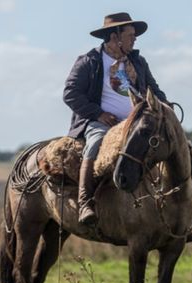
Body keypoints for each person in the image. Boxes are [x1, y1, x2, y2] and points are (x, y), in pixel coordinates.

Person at [63, 12, 169, 226]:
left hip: (137, 123)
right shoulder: (89, 62)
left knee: (174, 145)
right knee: (94, 144)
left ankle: (176, 213)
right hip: (100, 123)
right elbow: (70, 94)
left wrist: (166, 110)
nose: (135, 39)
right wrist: (98, 114)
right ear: (115, 37)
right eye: (130, 35)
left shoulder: (138, 62)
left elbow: (154, 90)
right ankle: (85, 203)